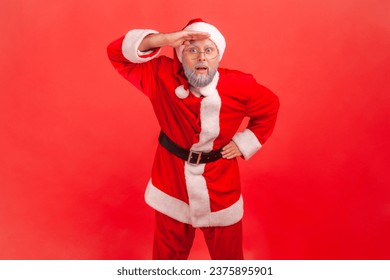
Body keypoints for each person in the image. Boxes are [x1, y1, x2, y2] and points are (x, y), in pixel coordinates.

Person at [107, 18, 279, 260]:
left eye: (209, 50)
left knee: (229, 262)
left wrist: (244, 143)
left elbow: (270, 107)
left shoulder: (241, 85)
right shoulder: (160, 76)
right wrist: (165, 39)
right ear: (180, 56)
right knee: (166, 262)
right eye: (192, 50)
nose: (201, 57)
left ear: (218, 55)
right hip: (172, 181)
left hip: (221, 183)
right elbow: (116, 53)